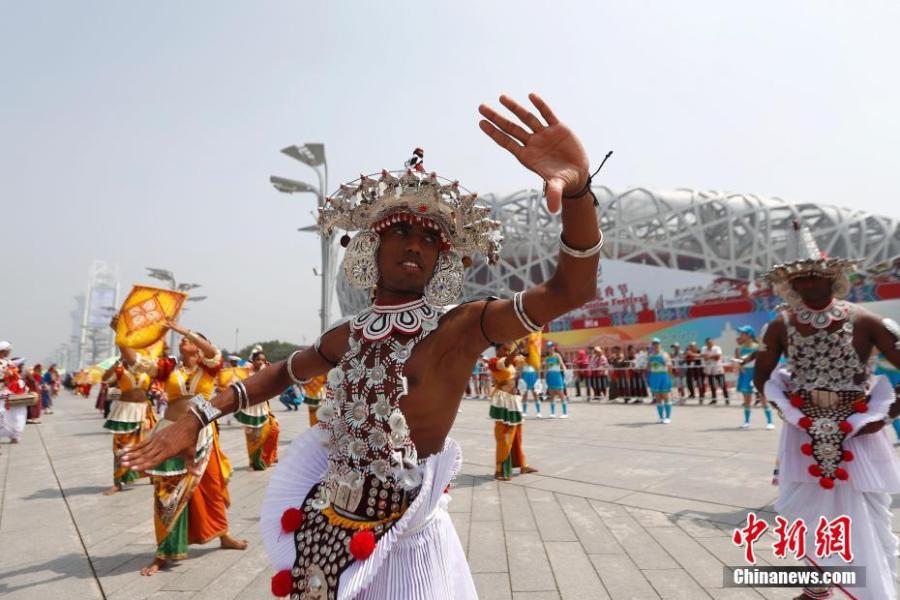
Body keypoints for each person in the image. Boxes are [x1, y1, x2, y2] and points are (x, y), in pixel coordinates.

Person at [123, 93, 601, 599]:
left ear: (444, 259)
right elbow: (284, 372)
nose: (415, 243)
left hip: (410, 544)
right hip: (328, 528)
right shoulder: (346, 336)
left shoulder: (462, 328)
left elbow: (571, 290)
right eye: (401, 231)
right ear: (372, 245)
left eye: (430, 237)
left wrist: (578, 192)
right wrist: (198, 416)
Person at [754, 222, 900, 600]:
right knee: (808, 506)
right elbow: (762, 377)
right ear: (790, 284)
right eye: (799, 278)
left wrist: (887, 414)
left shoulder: (864, 319)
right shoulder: (780, 326)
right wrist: (788, 412)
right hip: (803, 430)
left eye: (815, 275)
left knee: (863, 505)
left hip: (858, 427)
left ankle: (873, 585)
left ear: (832, 277)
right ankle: (818, 586)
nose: (808, 284)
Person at [113, 317, 247, 575]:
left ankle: (222, 534)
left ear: (199, 347)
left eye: (192, 339)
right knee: (167, 492)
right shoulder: (168, 368)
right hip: (170, 433)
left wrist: (182, 329)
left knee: (211, 486)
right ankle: (164, 551)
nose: (184, 340)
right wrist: (121, 335)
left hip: (203, 435)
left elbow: (213, 352)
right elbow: (135, 360)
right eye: (183, 338)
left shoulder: (209, 367)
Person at [101, 360, 157, 495]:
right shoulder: (120, 369)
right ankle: (117, 483)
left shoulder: (147, 368)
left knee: (147, 445)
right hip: (125, 412)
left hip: (144, 411)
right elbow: (105, 380)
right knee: (120, 449)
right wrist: (116, 364)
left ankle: (152, 475)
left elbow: (154, 388)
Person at [488, 343, 538, 480]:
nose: (506, 352)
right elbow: (506, 362)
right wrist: (516, 351)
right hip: (504, 402)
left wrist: (530, 346)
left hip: (513, 401)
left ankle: (522, 465)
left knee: (517, 435)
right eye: (504, 349)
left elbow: (525, 359)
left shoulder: (511, 361)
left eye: (508, 350)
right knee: (504, 435)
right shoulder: (493, 362)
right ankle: (500, 470)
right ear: (497, 350)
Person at [234, 348, 280, 471]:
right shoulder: (246, 373)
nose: (261, 362)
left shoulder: (266, 372)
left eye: (263, 360)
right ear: (253, 361)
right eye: (258, 359)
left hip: (264, 408)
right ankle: (254, 461)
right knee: (252, 437)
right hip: (250, 408)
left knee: (273, 429)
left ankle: (268, 456)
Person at [734, 325, 773, 430]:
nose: (740, 335)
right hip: (746, 375)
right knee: (747, 399)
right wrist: (740, 366)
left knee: (762, 397)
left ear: (749, 335)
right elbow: (739, 362)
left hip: (757, 374)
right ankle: (747, 422)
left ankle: (770, 422)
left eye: (742, 333)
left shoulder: (758, 346)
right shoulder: (739, 349)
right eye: (740, 333)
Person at [646, 339, 673, 423]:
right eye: (654, 344)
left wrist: (669, 377)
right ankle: (661, 417)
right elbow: (648, 367)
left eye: (657, 344)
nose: (655, 345)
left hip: (663, 376)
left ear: (660, 345)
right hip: (654, 377)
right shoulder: (650, 356)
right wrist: (649, 376)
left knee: (665, 396)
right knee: (658, 397)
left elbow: (669, 367)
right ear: (652, 346)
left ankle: (668, 417)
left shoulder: (665, 355)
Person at [543, 342, 568, 418]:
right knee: (552, 395)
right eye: (548, 347)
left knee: (561, 394)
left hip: (557, 376)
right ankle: (553, 413)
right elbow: (546, 369)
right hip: (550, 376)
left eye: (551, 347)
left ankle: (565, 413)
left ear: (553, 347)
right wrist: (544, 378)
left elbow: (562, 364)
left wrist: (565, 370)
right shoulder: (547, 358)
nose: (549, 348)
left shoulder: (557, 355)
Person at [702, 337, 729, 405]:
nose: (709, 344)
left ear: (713, 342)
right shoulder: (704, 348)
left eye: (710, 342)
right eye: (708, 343)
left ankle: (727, 399)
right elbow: (704, 358)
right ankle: (714, 399)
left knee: (722, 385)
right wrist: (711, 356)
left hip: (718, 370)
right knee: (712, 386)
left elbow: (718, 357)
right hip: (710, 370)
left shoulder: (717, 348)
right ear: (706, 343)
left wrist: (709, 357)